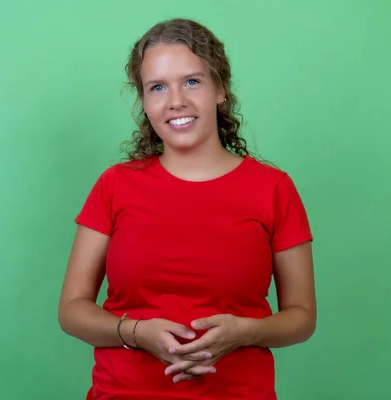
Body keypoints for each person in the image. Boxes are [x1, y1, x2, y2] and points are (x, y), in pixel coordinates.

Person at [58, 17, 316, 400]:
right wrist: (136, 333)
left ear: (220, 89)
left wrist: (246, 332)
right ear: (144, 101)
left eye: (192, 81)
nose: (176, 100)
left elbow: (301, 316)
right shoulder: (114, 185)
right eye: (157, 87)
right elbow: (72, 310)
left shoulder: (274, 189)